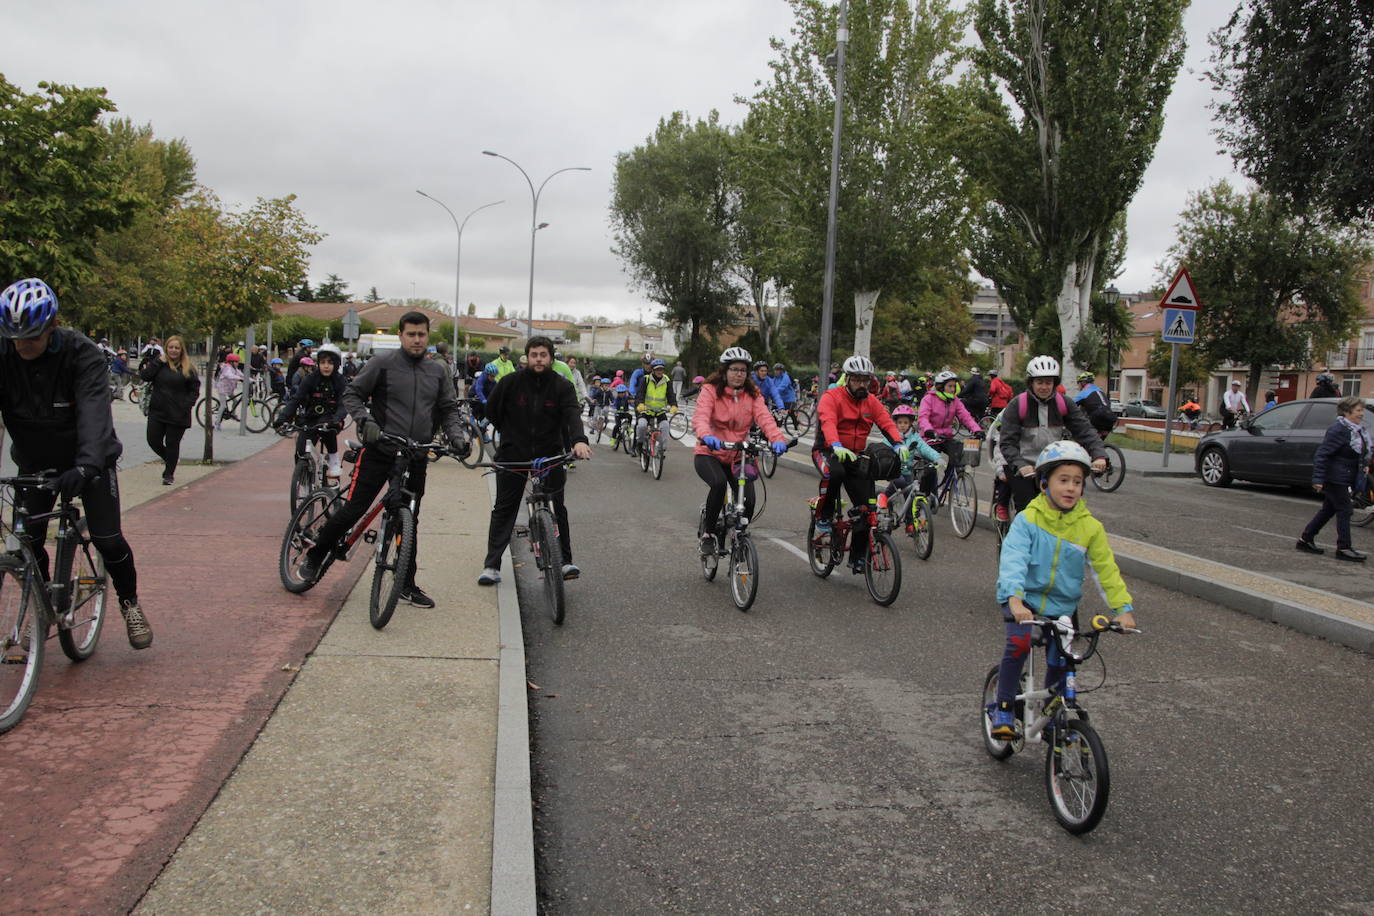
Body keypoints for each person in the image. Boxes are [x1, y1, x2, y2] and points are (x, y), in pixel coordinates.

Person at [0, 278, 153, 649]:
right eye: (14, 338)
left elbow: (94, 413)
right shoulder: (5, 354)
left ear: (52, 325)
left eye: (32, 338)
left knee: (107, 538)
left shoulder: (80, 354)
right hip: (35, 461)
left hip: (89, 458)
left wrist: (87, 466)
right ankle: (46, 597)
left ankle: (129, 603)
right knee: (25, 540)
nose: (22, 346)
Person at [295, 312, 470, 607]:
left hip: (415, 455)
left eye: (422, 334)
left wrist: (457, 437)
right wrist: (366, 422)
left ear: (428, 336)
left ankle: (406, 584)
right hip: (381, 450)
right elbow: (352, 395)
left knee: (409, 520)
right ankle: (314, 555)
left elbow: (449, 408)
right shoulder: (382, 364)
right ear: (401, 335)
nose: (417, 339)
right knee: (355, 509)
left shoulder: (437, 371)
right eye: (411, 334)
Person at [988, 440, 1136, 739]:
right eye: (1063, 480)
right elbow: (1013, 560)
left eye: (1077, 483)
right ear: (1044, 484)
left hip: (1062, 607)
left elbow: (1106, 570)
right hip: (1024, 601)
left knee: (1063, 661)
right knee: (1018, 645)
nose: (1071, 488)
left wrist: (1123, 610)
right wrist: (1015, 599)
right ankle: (1002, 707)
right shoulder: (1028, 520)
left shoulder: (1090, 527)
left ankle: (1053, 714)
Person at [480, 336, 592, 585]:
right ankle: (492, 566)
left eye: (543, 354)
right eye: (534, 355)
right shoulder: (510, 383)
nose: (539, 359)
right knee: (504, 508)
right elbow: (492, 411)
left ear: (551, 357)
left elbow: (572, 413)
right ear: (527, 358)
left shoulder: (562, 386)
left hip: (549, 454)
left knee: (557, 506)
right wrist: (509, 433)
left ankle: (564, 562)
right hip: (513, 454)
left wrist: (579, 440)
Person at [692, 348, 789, 555]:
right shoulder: (710, 390)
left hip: (738, 454)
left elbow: (765, 418)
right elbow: (701, 416)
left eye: (743, 370)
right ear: (724, 371)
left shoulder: (752, 395)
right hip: (709, 452)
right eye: (734, 369)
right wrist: (706, 435)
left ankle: (739, 535)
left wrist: (777, 439)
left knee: (749, 499)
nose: (739, 374)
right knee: (718, 484)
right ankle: (708, 534)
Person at [814, 355, 904, 571]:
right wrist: (835, 444)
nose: (861, 384)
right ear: (847, 378)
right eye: (856, 379)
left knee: (867, 508)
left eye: (865, 380)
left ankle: (857, 557)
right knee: (834, 472)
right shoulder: (831, 396)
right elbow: (828, 421)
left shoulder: (871, 401)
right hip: (828, 449)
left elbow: (886, 423)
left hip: (855, 454)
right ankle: (824, 516)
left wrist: (900, 444)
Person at [995, 356, 1107, 519]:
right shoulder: (1018, 404)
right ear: (1031, 383)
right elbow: (1007, 443)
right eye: (1039, 382)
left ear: (1054, 383)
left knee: (1061, 507)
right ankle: (1019, 541)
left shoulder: (1064, 403)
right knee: (1027, 512)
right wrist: (1020, 465)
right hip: (1021, 463)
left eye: (1048, 382)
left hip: (1049, 463)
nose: (1044, 387)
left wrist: (1099, 455)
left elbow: (1085, 430)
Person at [1296, 396, 1370, 562]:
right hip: (1335, 477)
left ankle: (1305, 539)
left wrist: (1364, 464)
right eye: (1358, 410)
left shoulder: (1357, 429)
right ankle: (1343, 547)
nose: (1361, 414)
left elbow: (1360, 452)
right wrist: (1318, 479)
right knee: (1345, 510)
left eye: (1362, 410)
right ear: (1346, 411)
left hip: (1345, 475)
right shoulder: (1338, 429)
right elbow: (1322, 454)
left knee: (1328, 510)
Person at [274, 344, 347, 485]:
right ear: (318, 363)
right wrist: (282, 417)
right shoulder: (310, 379)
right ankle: (304, 480)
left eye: (330, 363)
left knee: (328, 429)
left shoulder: (340, 381)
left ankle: (334, 460)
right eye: (323, 362)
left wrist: (337, 419)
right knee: (300, 450)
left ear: (336, 364)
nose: (326, 366)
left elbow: (343, 404)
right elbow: (296, 399)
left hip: (331, 419)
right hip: (310, 418)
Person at [140, 335, 200, 485]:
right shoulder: (159, 364)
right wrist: (158, 362)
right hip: (158, 411)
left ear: (181, 350)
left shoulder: (188, 368)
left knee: (173, 443)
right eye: (171, 347)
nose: (173, 350)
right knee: (153, 440)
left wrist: (186, 405)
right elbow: (145, 376)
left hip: (178, 413)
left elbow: (194, 390)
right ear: (166, 348)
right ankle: (170, 458)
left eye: (177, 348)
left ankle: (169, 474)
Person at [917, 370, 986, 499]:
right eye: (950, 386)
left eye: (954, 386)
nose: (953, 389)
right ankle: (924, 496)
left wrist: (977, 430)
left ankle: (950, 478)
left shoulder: (955, 401)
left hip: (945, 437)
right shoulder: (929, 399)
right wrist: (928, 430)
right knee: (931, 469)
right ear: (941, 387)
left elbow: (966, 417)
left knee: (960, 452)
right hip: (930, 437)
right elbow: (923, 417)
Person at [879, 405, 942, 521]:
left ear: (911, 424)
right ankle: (882, 497)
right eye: (900, 422)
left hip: (908, 471)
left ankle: (910, 523)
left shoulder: (915, 437)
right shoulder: (891, 436)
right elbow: (885, 450)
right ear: (895, 423)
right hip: (894, 470)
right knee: (898, 483)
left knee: (910, 497)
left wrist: (937, 458)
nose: (902, 425)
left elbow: (925, 448)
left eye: (905, 422)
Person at [633, 358, 678, 453]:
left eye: (661, 369)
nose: (659, 371)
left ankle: (662, 450)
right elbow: (640, 394)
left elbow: (671, 395)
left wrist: (674, 405)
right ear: (652, 370)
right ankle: (639, 443)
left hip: (660, 411)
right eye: (657, 369)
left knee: (665, 426)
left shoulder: (667, 381)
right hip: (646, 411)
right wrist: (640, 404)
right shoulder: (646, 379)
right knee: (641, 425)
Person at [214, 353, 244, 429]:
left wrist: (252, 380)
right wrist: (239, 379)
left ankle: (233, 414)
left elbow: (242, 375)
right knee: (223, 406)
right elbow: (229, 375)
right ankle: (217, 423)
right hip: (222, 389)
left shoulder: (235, 369)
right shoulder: (226, 368)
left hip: (229, 389)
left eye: (238, 362)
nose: (237, 363)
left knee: (235, 401)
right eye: (236, 362)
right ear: (231, 362)